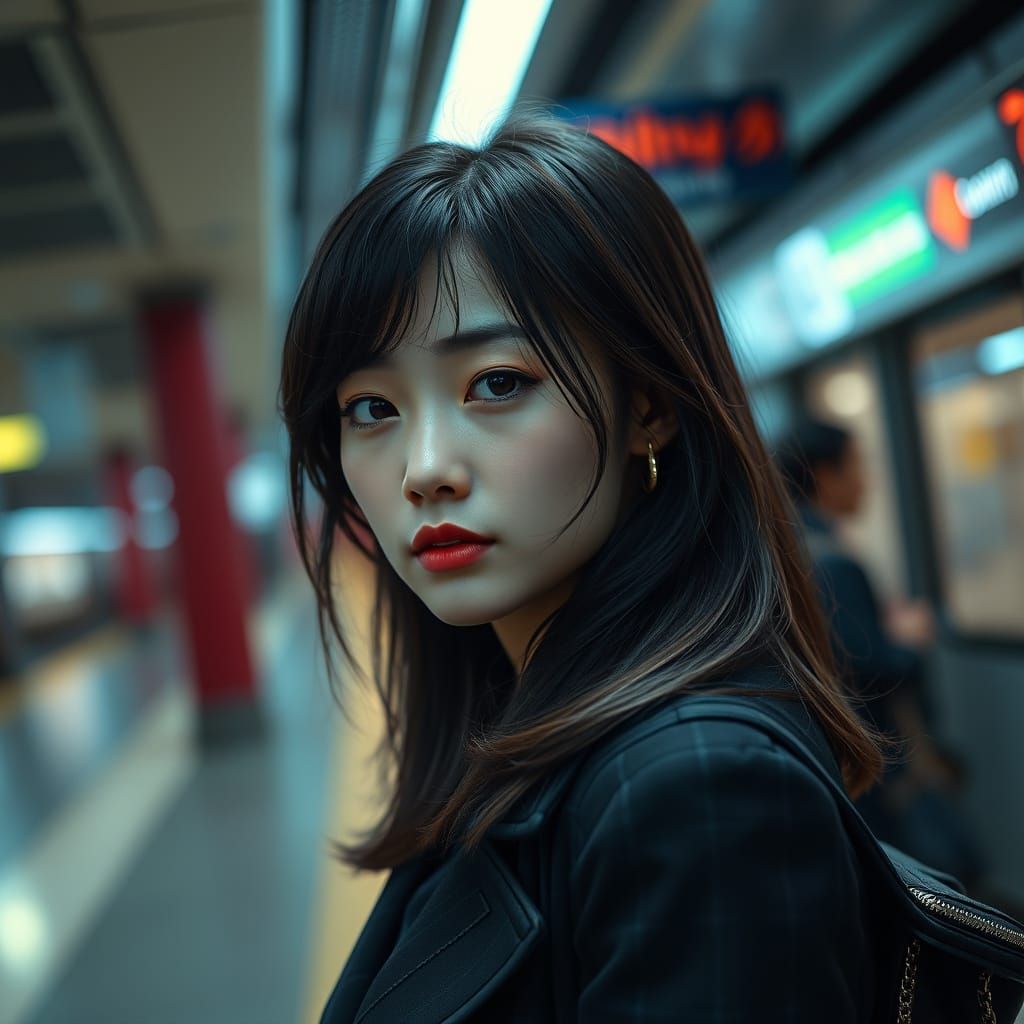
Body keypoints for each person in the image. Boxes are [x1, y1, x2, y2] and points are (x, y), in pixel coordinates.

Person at [279, 113, 886, 1022]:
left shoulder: (699, 787)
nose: (423, 468)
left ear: (649, 403)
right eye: (371, 406)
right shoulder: (516, 726)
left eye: (496, 382)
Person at [775, 417, 984, 888]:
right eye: (857, 465)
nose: (865, 480)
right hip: (879, 761)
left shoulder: (791, 547)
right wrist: (908, 641)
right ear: (826, 476)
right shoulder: (835, 560)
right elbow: (867, 667)